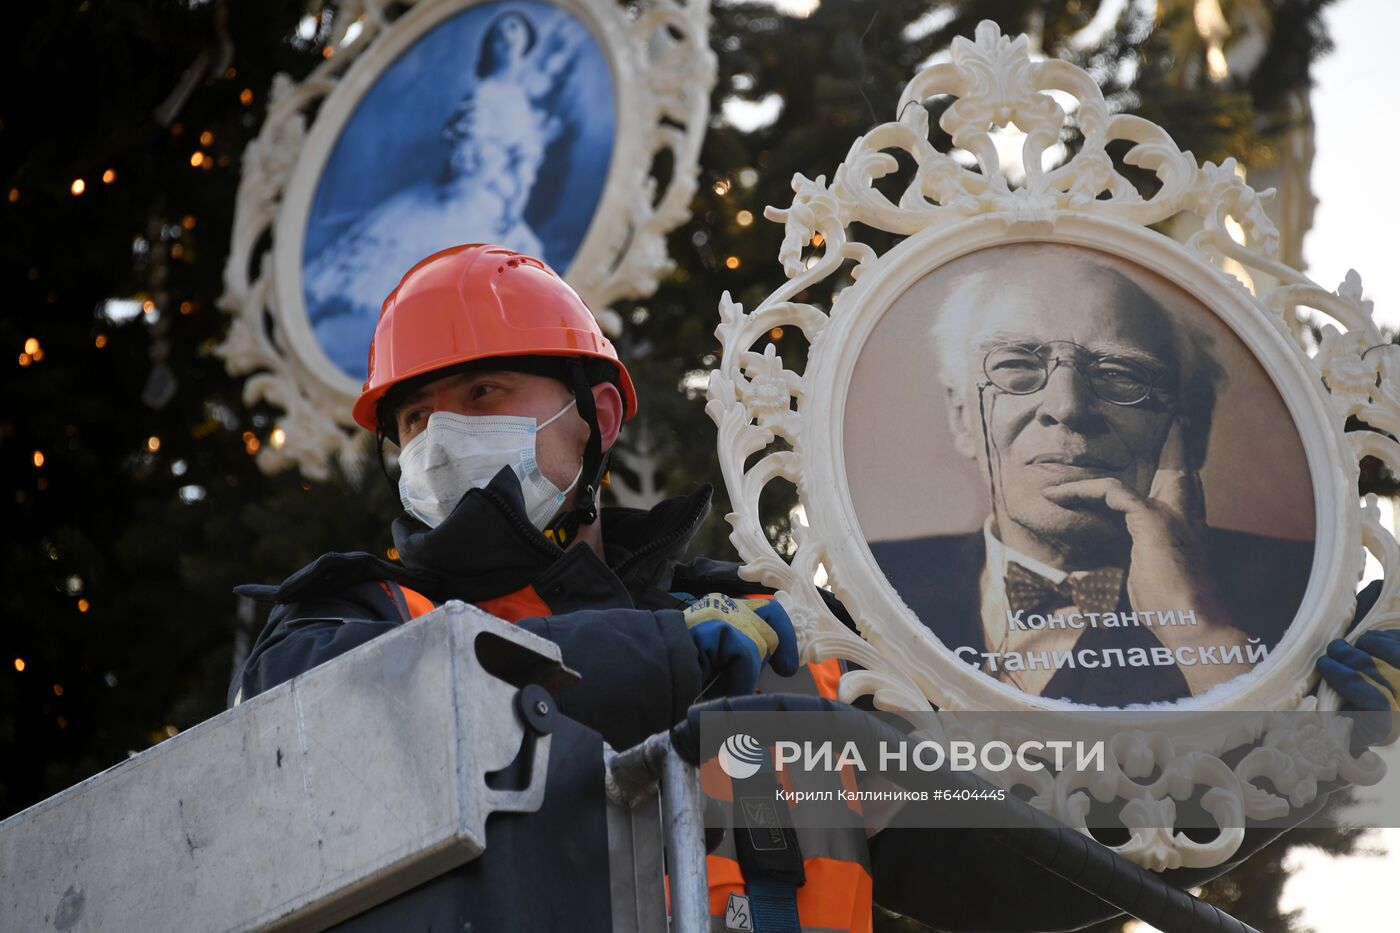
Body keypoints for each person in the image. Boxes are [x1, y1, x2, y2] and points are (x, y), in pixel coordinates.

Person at [232, 243, 1397, 931]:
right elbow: (339, 739)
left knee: (778, 739)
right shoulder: (353, 615)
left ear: (592, 420)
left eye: (484, 395)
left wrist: (1304, 759)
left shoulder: (765, 624)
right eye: (417, 419)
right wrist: (688, 658)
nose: (444, 439)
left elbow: (1013, 867)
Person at [869, 244, 1314, 705]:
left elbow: (1294, 768)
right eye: (1016, 366)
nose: (1068, 407)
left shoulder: (1303, 592)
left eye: (1121, 375)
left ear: (1192, 428)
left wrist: (1198, 629)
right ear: (962, 417)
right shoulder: (868, 584)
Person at [302, 11, 580, 378]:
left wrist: (511, 203)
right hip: (462, 195)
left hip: (497, 203)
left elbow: (523, 165)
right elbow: (469, 159)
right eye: (498, 32)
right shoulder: (481, 94)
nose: (506, 37)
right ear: (489, 47)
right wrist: (494, 180)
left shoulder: (522, 103)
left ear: (527, 44)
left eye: (515, 29)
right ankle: (386, 356)